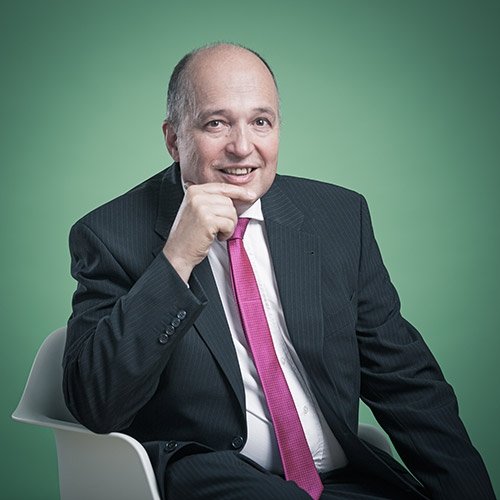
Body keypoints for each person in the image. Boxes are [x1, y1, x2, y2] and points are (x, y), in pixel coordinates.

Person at [63, 43, 496, 500]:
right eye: (216, 123)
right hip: (214, 477)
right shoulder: (109, 235)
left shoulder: (339, 217)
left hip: (339, 483)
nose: (242, 147)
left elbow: (406, 383)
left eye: (260, 122)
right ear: (173, 139)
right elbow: (96, 404)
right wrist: (177, 260)